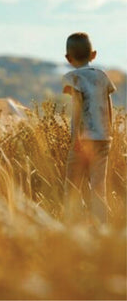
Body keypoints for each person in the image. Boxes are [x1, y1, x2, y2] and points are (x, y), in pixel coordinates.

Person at [62, 32, 116, 225]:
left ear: (68, 58)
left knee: (73, 185)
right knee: (98, 187)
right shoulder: (102, 76)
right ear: (93, 55)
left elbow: (77, 108)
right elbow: (109, 104)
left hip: (82, 140)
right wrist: (110, 131)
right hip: (103, 139)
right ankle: (102, 227)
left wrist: (75, 137)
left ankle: (72, 225)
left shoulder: (73, 77)